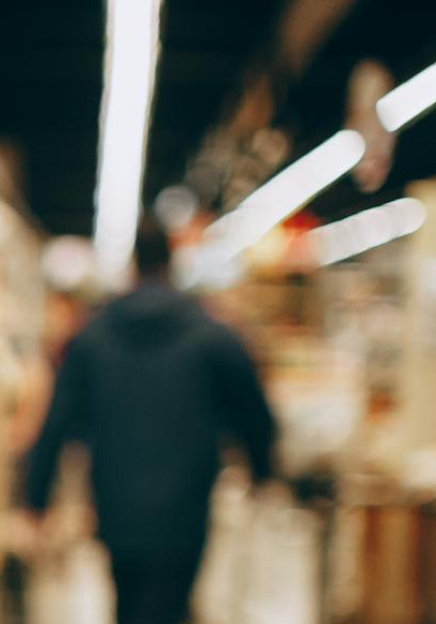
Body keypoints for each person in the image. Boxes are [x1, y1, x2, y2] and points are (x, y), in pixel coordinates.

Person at [24, 220, 277, 624]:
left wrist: (35, 497)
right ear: (172, 258)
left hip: (115, 505)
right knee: (170, 604)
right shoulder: (211, 336)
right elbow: (255, 412)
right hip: (186, 508)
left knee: (128, 602)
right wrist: (263, 472)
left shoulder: (93, 337)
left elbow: (57, 419)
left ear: (133, 261)